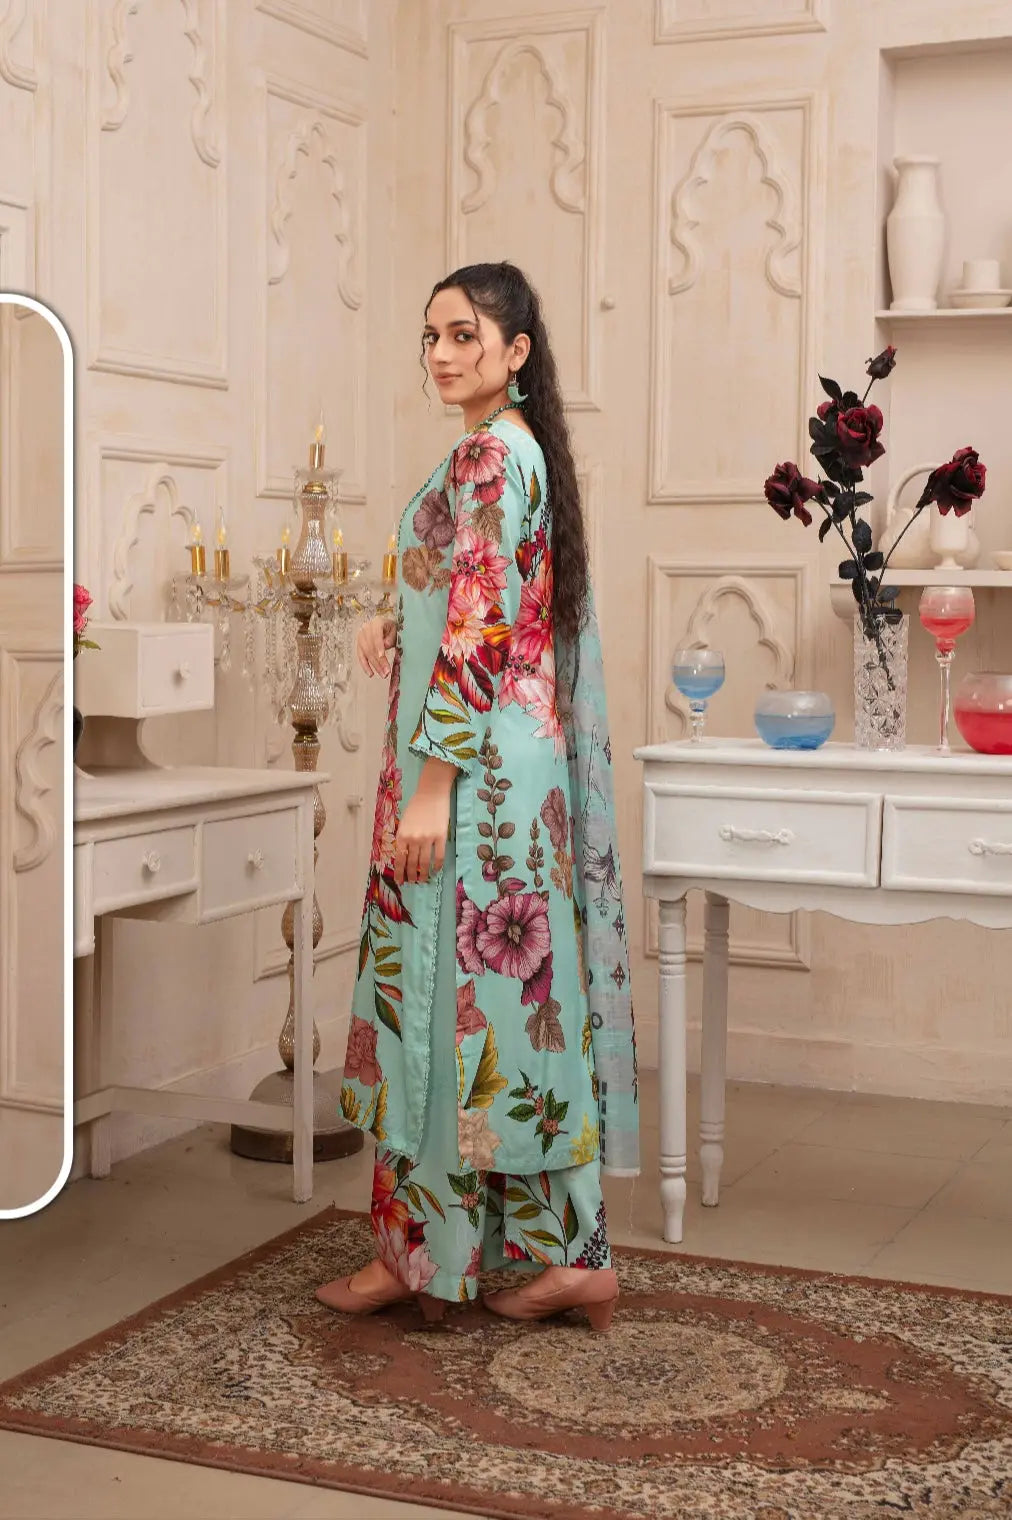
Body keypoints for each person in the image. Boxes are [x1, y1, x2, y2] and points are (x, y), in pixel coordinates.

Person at [317, 261, 637, 1331]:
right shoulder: (516, 448)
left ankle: (414, 1255)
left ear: (516, 350)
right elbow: (479, 593)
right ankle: (571, 1255)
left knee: (438, 1008)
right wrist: (390, 613)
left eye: (464, 334)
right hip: (514, 776)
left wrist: (430, 790)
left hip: (471, 778)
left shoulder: (491, 453)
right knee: (506, 1016)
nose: (443, 353)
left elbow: (479, 627)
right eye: (431, 335)